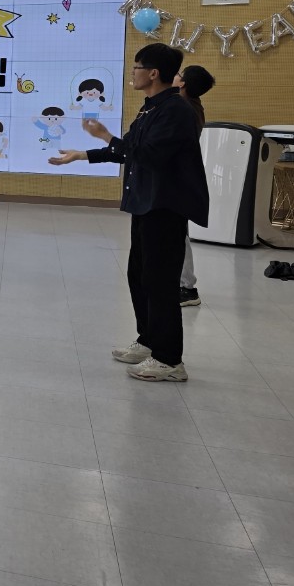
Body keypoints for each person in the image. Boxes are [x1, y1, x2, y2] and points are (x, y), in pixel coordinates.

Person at [50, 44, 208, 382]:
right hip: (146, 204)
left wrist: (105, 135)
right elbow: (129, 151)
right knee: (139, 275)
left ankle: (169, 360)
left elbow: (149, 155)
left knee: (161, 282)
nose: (131, 73)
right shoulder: (150, 109)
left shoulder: (175, 111)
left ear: (153, 73)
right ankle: (149, 341)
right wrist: (82, 155)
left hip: (165, 206)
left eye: (137, 67)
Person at [175, 65, 215, 307]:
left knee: (178, 235)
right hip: (180, 180)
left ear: (183, 84)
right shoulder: (189, 105)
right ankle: (182, 284)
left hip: (179, 181)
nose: (175, 76)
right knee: (177, 235)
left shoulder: (185, 109)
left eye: (179, 74)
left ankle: (187, 288)